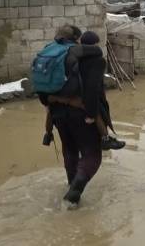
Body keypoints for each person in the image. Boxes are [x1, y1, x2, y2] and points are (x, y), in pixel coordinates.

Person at [35, 25, 106, 206]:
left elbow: (41, 85)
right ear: (76, 39)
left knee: (69, 150)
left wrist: (51, 104)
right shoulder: (86, 57)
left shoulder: (48, 53)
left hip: (57, 113)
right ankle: (75, 190)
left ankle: (72, 188)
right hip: (80, 112)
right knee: (92, 155)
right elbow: (91, 89)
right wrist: (91, 114)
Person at [42, 31, 125, 151]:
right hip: (73, 98)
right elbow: (91, 88)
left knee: (50, 110)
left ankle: (47, 134)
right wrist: (91, 112)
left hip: (54, 94)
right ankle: (105, 139)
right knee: (95, 112)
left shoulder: (60, 54)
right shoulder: (92, 60)